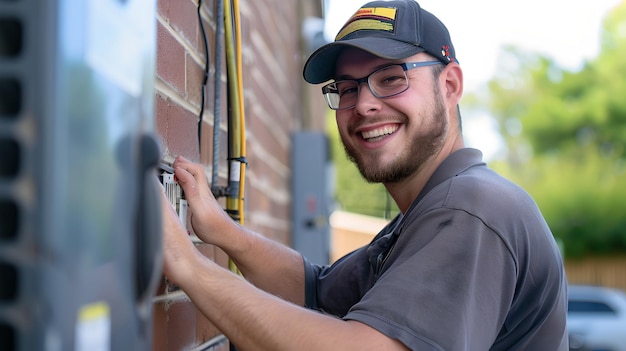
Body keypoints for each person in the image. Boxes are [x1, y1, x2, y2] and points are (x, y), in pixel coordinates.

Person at [160, 0, 569, 350]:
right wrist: (221, 230)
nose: (364, 105)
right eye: (348, 87)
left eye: (392, 78)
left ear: (450, 85)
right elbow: (312, 291)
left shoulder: (472, 209)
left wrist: (187, 264)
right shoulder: (424, 216)